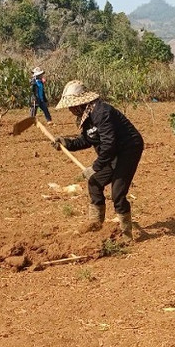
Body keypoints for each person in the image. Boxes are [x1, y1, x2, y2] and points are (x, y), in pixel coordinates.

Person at [51, 80, 144, 242]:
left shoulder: (102, 113)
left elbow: (109, 144)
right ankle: (95, 226)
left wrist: (95, 166)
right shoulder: (86, 117)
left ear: (81, 103)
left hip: (128, 150)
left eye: (71, 106)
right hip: (111, 153)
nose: (70, 110)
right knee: (94, 183)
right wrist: (67, 143)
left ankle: (126, 234)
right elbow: (88, 139)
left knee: (117, 194)